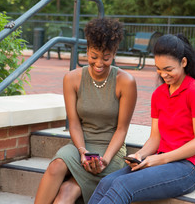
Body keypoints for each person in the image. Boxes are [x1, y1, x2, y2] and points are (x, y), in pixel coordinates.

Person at [89, 33, 195, 204]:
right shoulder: (159, 95)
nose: (163, 75)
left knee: (122, 186)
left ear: (183, 62)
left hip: (187, 167)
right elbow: (155, 138)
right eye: (159, 69)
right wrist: (140, 155)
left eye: (169, 69)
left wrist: (159, 159)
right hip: (160, 161)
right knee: (106, 182)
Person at [34, 18, 137, 204]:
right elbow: (73, 123)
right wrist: (82, 151)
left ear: (114, 53)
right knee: (56, 165)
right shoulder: (71, 79)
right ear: (87, 50)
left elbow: (122, 129)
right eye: (93, 55)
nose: (99, 63)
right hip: (81, 145)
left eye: (106, 57)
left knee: (66, 191)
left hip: (110, 151)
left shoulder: (126, 81)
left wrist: (104, 160)